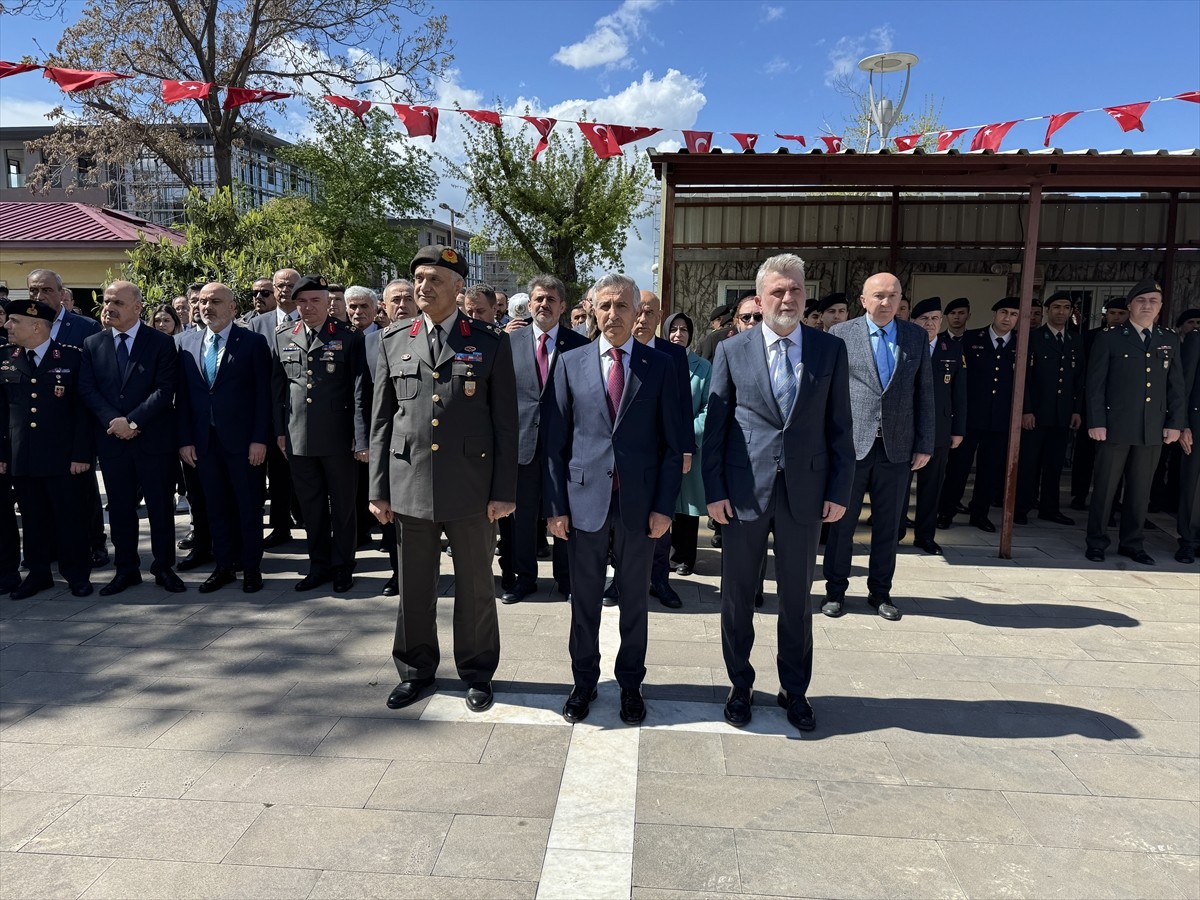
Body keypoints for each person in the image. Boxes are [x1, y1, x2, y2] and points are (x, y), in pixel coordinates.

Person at [703, 254, 854, 733]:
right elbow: (718, 429)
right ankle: (740, 685)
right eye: (776, 292)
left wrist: (839, 490)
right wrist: (715, 492)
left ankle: (795, 688)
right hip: (745, 492)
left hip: (806, 494)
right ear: (759, 297)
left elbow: (840, 428)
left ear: (804, 294)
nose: (786, 299)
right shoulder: (732, 350)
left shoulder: (828, 352)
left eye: (794, 290)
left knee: (796, 598)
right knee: (737, 596)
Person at [369, 245, 518, 714]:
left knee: (475, 585)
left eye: (435, 279)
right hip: (409, 481)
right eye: (418, 278)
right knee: (415, 585)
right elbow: (381, 421)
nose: (423, 286)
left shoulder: (490, 341)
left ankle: (476, 672)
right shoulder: (393, 339)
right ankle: (415, 670)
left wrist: (503, 492)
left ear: (459, 287)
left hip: (471, 486)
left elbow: (505, 424)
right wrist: (378, 489)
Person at [544, 273, 684, 725]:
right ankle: (583, 682)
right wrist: (556, 507)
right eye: (604, 306)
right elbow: (555, 443)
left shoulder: (660, 364)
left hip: (639, 507)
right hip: (584, 503)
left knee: (634, 602)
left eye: (622, 306)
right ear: (593, 308)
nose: (613, 315)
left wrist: (665, 507)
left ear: (638, 311)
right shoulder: (571, 362)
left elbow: (671, 445)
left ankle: (630, 685)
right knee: (583, 600)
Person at [822, 272, 934, 622]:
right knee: (842, 522)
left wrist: (925, 442)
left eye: (893, 296)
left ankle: (880, 592)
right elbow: (828, 395)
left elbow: (925, 393)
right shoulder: (841, 334)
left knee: (889, 525)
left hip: (897, 448)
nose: (886, 303)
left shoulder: (915, 336)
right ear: (863, 299)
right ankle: (835, 591)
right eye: (879, 296)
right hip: (851, 447)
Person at [79, 280, 184, 595]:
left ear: (138, 307)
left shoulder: (162, 343)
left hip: (153, 441)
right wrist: (115, 421)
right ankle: (126, 569)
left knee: (160, 507)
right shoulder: (93, 343)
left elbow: (165, 391)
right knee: (121, 509)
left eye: (118, 302)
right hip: (112, 441)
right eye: (107, 301)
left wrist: (134, 422)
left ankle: (164, 567)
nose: (109, 307)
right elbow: (88, 389)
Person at [271, 274, 369, 592]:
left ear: (329, 303)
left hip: (338, 436)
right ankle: (319, 565)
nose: (308, 307)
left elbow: (358, 389)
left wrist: (360, 434)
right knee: (310, 506)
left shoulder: (349, 336)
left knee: (342, 505)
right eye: (302, 301)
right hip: (298, 435)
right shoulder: (283, 335)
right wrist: (280, 432)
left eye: (315, 301)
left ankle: (343, 566)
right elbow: (278, 389)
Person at [176, 283, 272, 593]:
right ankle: (224, 566)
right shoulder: (185, 343)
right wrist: (185, 440)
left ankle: (251, 567)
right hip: (204, 443)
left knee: (247, 505)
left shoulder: (253, 343)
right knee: (214, 506)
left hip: (244, 443)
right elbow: (184, 399)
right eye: (203, 302)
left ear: (232, 308)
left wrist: (260, 439)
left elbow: (264, 396)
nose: (207, 307)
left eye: (215, 301)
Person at [497, 274, 587, 604]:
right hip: (521, 447)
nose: (543, 304)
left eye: (550, 299)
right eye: (538, 298)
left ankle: (566, 578)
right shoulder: (508, 343)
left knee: (565, 513)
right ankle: (523, 579)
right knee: (520, 519)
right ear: (529, 303)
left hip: (565, 448)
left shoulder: (580, 346)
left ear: (563, 306)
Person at [1085, 278, 1186, 564]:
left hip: (1152, 428)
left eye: (1153, 301)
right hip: (1114, 426)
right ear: (1130, 305)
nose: (1147, 306)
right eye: (1141, 301)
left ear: (1161, 307)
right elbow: (1095, 385)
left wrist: (1175, 423)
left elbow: (1176, 386)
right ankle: (1096, 541)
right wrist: (1097, 421)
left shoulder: (1168, 339)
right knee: (1105, 488)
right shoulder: (1109, 337)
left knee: (1141, 491)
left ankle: (1132, 542)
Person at [1, 300, 95, 598]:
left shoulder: (71, 357)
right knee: (32, 517)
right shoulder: (5, 358)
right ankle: (38, 573)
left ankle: (77, 573)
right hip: (22, 455)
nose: (7, 326)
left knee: (69, 516)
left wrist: (82, 454)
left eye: (14, 321)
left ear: (37, 326)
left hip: (62, 457)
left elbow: (83, 411)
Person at [26, 268, 108, 568]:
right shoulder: (25, 326)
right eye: (33, 290)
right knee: (45, 495)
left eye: (46, 290)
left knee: (83, 490)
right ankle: (52, 547)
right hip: (39, 426)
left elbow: (95, 380)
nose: (39, 296)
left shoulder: (85, 327)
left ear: (62, 293)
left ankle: (95, 543)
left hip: (75, 423)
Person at [938, 297, 1020, 532]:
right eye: (1003, 312)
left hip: (1000, 418)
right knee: (958, 468)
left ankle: (979, 513)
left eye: (1013, 314)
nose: (1007, 318)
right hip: (970, 417)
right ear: (994, 314)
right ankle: (946, 511)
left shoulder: (1021, 343)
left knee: (990, 469)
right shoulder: (972, 339)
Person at [1015, 291, 1083, 526]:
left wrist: (1076, 409)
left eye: (1066, 307)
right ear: (1047, 310)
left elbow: (1078, 379)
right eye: (1056, 307)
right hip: (1036, 412)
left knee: (1054, 465)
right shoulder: (1033, 337)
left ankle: (1049, 508)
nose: (1061, 312)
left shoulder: (1075, 340)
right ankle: (1021, 507)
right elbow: (1024, 378)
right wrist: (1026, 409)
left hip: (1062, 413)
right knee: (1028, 463)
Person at [907, 297, 965, 555]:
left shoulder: (950, 349)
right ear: (913, 321)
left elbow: (960, 393)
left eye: (934, 318)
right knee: (899, 486)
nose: (930, 323)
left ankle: (925, 535)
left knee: (932, 487)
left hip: (939, 429)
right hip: (905, 428)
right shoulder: (903, 345)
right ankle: (896, 530)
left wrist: (958, 429)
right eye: (924, 318)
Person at [251, 268, 302, 547]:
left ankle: (299, 517)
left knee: (292, 473)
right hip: (264, 410)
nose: (284, 290)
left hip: (296, 411)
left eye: (290, 285)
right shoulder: (257, 324)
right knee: (269, 473)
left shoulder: (308, 320)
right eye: (279, 285)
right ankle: (278, 524)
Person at [663, 311, 711, 575]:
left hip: (690, 446)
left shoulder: (703, 368)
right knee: (664, 502)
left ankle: (685, 556)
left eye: (683, 329)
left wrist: (685, 437)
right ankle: (664, 552)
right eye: (673, 329)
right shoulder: (659, 361)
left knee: (687, 505)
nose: (678, 334)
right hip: (662, 446)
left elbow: (707, 408)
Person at [1070, 297, 1130, 511]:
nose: (1116, 317)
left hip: (1118, 406)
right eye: (1112, 313)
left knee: (1115, 455)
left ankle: (1113, 500)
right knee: (1084, 452)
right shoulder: (1090, 337)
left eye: (1121, 313)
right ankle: (1079, 494)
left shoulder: (1131, 339)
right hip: (1091, 402)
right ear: (1105, 315)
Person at [1175, 329, 1200, 563]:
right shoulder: (1196, 339)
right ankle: (1189, 541)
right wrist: (1183, 424)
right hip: (1197, 425)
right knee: (1193, 488)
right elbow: (1184, 384)